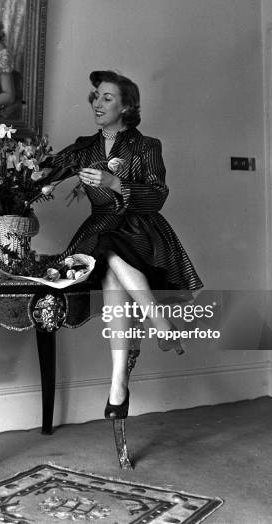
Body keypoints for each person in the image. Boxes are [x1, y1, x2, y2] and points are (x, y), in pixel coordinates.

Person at [55, 70, 203, 420]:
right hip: (101, 231)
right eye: (96, 96)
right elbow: (42, 172)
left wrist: (115, 182)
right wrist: (36, 181)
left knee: (106, 247)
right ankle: (124, 373)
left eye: (107, 97)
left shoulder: (147, 146)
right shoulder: (84, 147)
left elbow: (157, 197)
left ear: (126, 106)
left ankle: (120, 380)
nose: (97, 103)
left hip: (141, 234)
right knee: (107, 266)